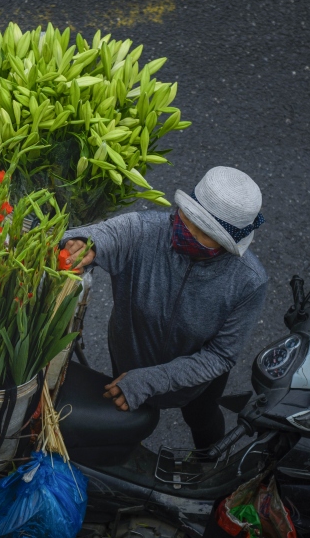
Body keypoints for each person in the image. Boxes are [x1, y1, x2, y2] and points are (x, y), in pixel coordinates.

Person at [61, 167, 269, 450]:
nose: (188, 231)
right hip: (128, 356)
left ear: (226, 243)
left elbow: (220, 355)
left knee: (202, 418)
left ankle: (209, 465)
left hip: (196, 382)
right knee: (124, 420)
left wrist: (148, 381)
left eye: (203, 231)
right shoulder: (145, 231)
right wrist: (83, 245)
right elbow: (104, 236)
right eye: (188, 217)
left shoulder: (248, 282)